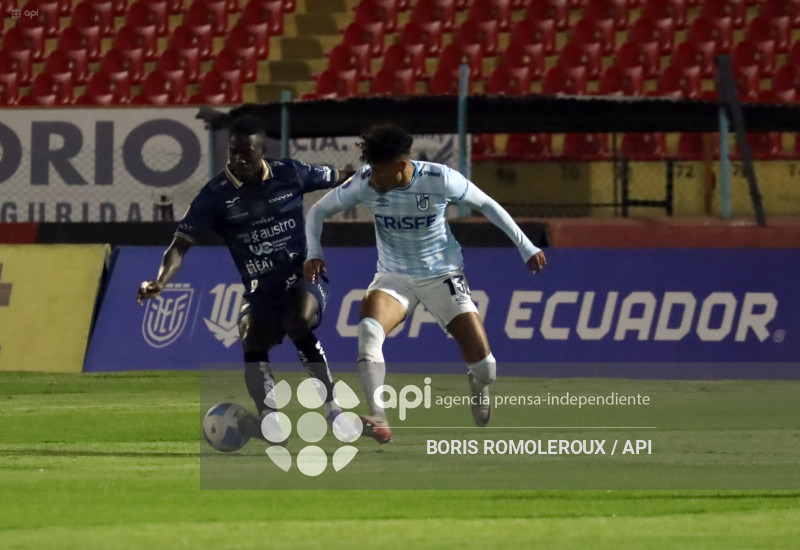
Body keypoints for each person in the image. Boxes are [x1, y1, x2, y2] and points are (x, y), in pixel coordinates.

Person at [303, 124, 547, 444]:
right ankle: (378, 416)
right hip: (393, 277)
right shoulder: (364, 183)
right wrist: (314, 253)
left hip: (442, 276)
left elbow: (486, 204)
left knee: (487, 366)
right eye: (372, 169)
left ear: (401, 166)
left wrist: (526, 246)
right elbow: (318, 211)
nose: (373, 177)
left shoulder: (439, 179)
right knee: (368, 333)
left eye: (379, 170)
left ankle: (478, 383)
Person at [137, 115, 355, 441]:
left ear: (263, 150)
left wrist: (379, 180)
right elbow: (179, 245)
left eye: (246, 153)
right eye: (233, 152)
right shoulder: (215, 196)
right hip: (259, 289)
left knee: (298, 320)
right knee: (252, 339)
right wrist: (161, 281)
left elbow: (342, 177)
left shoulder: (290, 173)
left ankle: (333, 409)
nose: (239, 160)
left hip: (302, 275)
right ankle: (271, 422)